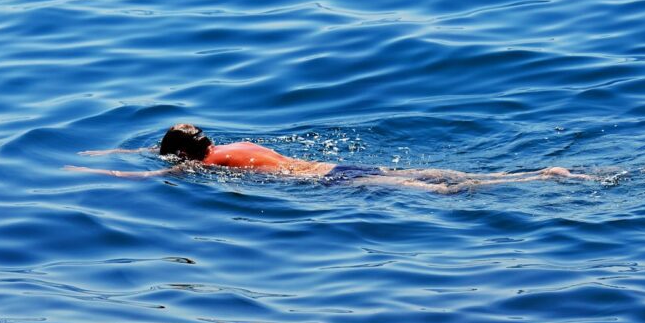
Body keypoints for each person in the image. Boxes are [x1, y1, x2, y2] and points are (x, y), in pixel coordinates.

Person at [65, 123, 591, 193]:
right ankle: (541, 172)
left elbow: (135, 171)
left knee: (437, 191)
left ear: (182, 155)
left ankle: (517, 184)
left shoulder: (205, 168)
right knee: (431, 174)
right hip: (330, 168)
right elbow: (151, 153)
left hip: (333, 185)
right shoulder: (232, 147)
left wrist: (90, 169)